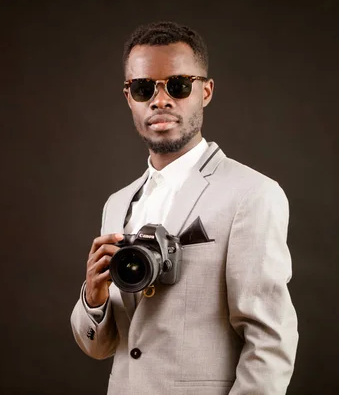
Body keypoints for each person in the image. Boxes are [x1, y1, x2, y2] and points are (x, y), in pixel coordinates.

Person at [70, 21, 298, 395]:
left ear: (205, 91)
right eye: (144, 89)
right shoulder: (117, 204)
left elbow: (270, 342)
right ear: (129, 97)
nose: (160, 100)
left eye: (178, 85)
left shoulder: (252, 194)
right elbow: (99, 347)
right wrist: (92, 299)